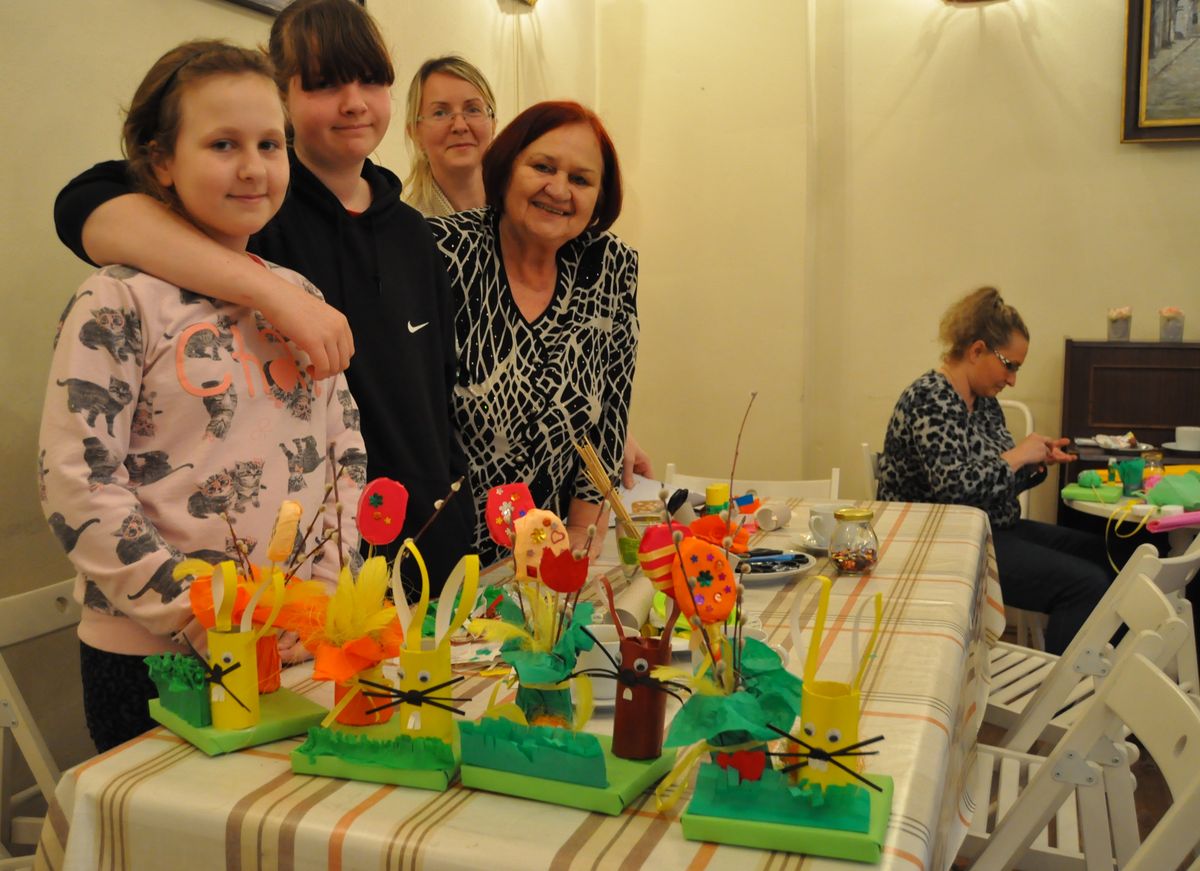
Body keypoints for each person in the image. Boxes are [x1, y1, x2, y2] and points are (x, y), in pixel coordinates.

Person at [51, 0, 472, 596]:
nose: (354, 102)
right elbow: (85, 203)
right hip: (271, 577)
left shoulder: (413, 235)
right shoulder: (252, 209)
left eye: (371, 80)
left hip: (415, 549)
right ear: (284, 96)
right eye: (325, 83)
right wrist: (271, 292)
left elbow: (437, 397)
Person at [39, 40, 365, 752]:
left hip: (294, 640)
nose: (253, 167)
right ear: (161, 161)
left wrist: (320, 594)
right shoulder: (119, 298)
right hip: (154, 654)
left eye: (269, 144)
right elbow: (78, 483)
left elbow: (343, 455)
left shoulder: (298, 296)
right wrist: (197, 613)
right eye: (223, 144)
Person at [426, 101, 639, 567]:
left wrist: (582, 529)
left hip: (547, 554)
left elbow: (610, 419)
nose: (559, 190)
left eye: (580, 179)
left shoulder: (609, 266)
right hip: (440, 555)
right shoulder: (441, 252)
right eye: (543, 167)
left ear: (599, 198)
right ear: (506, 167)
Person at [877, 286, 1111, 655]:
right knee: (1086, 584)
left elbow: (994, 481)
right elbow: (954, 490)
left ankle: (1102, 673)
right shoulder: (930, 398)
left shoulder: (984, 403)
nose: (1013, 379)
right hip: (942, 541)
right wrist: (1017, 456)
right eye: (1009, 365)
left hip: (986, 529)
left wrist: (1033, 461)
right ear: (976, 351)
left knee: (1106, 554)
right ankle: (1061, 688)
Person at [402, 55, 498, 218]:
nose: (460, 126)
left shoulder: (519, 213)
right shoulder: (409, 226)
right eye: (440, 113)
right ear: (415, 133)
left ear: (493, 123)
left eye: (473, 109)